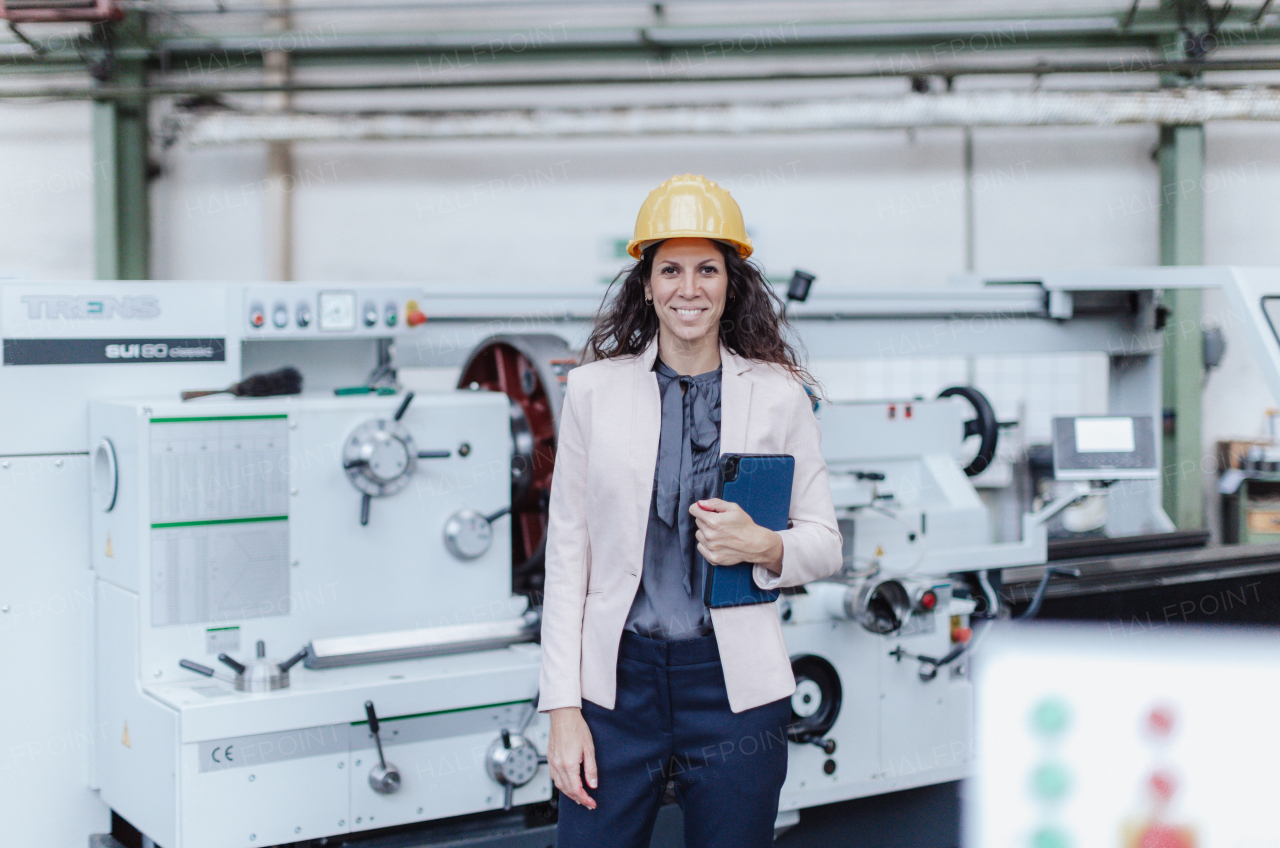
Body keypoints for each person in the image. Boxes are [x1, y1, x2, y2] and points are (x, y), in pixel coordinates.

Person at [538, 173, 843, 848]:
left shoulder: (779, 396)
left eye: (707, 269)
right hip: (615, 684)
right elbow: (567, 561)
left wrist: (762, 545)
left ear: (731, 282)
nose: (689, 288)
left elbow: (825, 543)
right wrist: (562, 708)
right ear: (645, 282)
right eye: (670, 269)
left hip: (732, 688)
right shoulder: (591, 392)